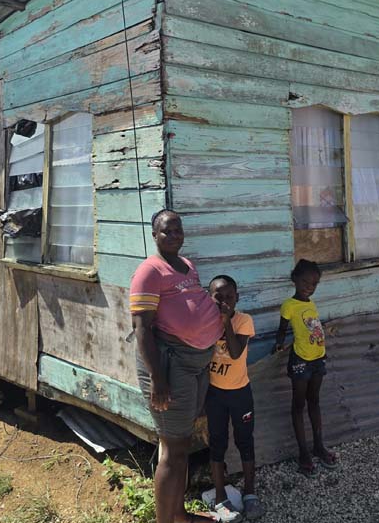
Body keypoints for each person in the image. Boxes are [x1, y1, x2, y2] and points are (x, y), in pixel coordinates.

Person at [130, 209, 222, 523]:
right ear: (154, 235)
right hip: (171, 367)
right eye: (167, 231)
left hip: (195, 365)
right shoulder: (149, 271)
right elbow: (142, 329)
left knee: (181, 444)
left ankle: (178, 515)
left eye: (178, 230)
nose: (174, 236)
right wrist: (158, 379)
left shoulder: (187, 266)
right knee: (173, 449)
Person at [204, 275, 264, 522]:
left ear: (237, 298)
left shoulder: (244, 321)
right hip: (215, 394)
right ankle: (220, 499)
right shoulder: (204, 324)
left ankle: (249, 494)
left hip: (240, 393)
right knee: (217, 443)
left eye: (229, 297)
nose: (225, 301)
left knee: (245, 441)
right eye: (219, 297)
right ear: (210, 299)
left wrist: (226, 321)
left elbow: (237, 353)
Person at [274, 258, 337, 473]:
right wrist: (278, 344)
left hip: (318, 358)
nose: (309, 288)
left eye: (314, 284)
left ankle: (318, 446)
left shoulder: (311, 304)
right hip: (300, 360)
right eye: (305, 283)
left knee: (315, 401)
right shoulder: (289, 305)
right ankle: (303, 452)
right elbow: (282, 329)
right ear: (294, 279)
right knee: (298, 405)